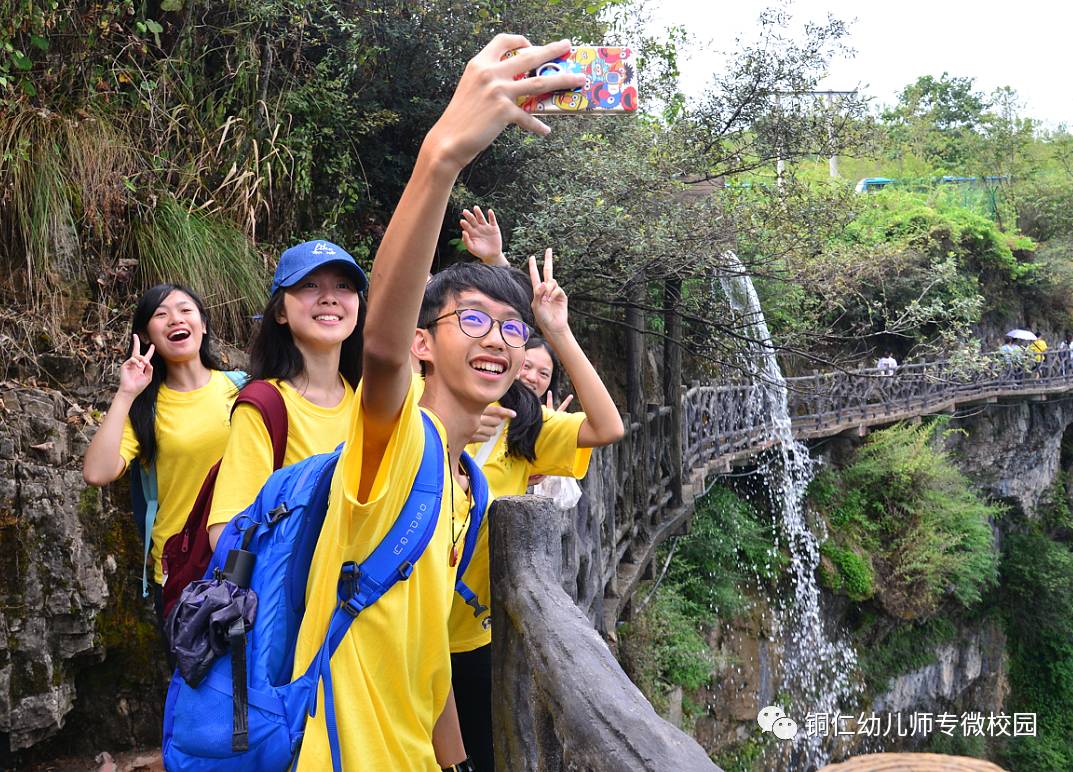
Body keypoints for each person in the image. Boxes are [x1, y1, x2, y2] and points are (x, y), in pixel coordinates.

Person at [287, 35, 586, 770]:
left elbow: (428, 645)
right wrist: (440, 158)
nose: (497, 340)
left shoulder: (466, 481)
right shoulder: (396, 443)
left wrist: (454, 763)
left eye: (511, 330)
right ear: (425, 345)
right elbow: (381, 348)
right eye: (472, 322)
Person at [455, 229, 624, 769]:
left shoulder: (527, 429)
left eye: (537, 368)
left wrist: (559, 330)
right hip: (395, 628)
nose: (519, 366)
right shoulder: (419, 401)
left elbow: (608, 426)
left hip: (469, 637)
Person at [82, 284, 241, 622]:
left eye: (185, 310)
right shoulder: (145, 411)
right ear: (145, 335)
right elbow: (96, 473)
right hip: (183, 573)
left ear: (204, 324)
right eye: (161, 314)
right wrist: (126, 394)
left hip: (247, 560)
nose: (175, 319)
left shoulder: (242, 389)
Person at [206, 240, 367, 549]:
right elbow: (226, 534)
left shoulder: (369, 400)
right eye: (309, 285)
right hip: (296, 595)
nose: (329, 298)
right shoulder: (265, 405)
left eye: (343, 286)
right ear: (280, 311)